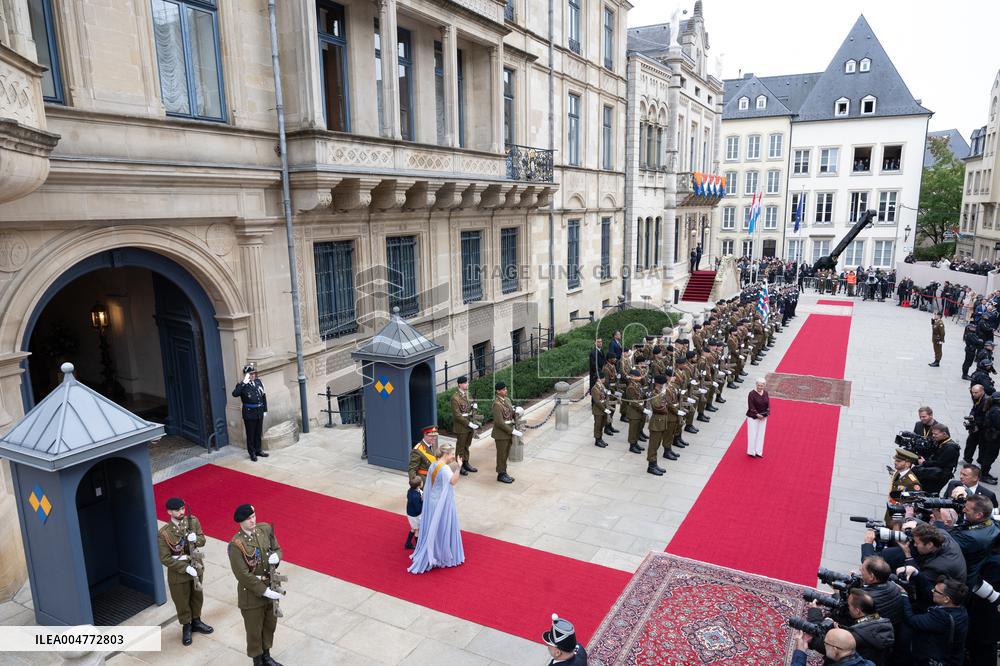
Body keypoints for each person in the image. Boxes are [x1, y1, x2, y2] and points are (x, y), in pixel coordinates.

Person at [228, 504, 284, 666]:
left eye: (253, 516)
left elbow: (277, 548)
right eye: (248, 519)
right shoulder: (236, 545)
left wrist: (277, 557)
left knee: (269, 625)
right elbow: (242, 575)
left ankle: (266, 656)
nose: (252, 521)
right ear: (240, 522)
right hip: (251, 593)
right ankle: (257, 660)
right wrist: (264, 591)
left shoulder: (264, 529)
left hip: (271, 585)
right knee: (254, 630)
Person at [158, 497, 213, 646]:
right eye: (177, 510)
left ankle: (196, 621)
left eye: (183, 509)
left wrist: (195, 540)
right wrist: (185, 568)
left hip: (196, 566)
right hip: (179, 572)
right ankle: (186, 626)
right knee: (182, 600)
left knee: (197, 596)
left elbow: (202, 540)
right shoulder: (164, 533)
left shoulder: (192, 521)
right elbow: (165, 558)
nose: (181, 512)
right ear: (169, 512)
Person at [408, 443, 464, 574]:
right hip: (441, 502)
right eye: (451, 454)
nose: (452, 457)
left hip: (433, 499)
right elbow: (453, 481)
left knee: (435, 526)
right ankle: (440, 554)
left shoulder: (434, 463)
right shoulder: (445, 469)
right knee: (441, 526)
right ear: (446, 454)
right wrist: (459, 467)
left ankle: (435, 549)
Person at [899, 577, 969, 666]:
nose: (932, 591)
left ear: (946, 599)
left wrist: (903, 594)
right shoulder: (961, 610)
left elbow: (911, 619)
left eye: (935, 591)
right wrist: (917, 575)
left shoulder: (942, 617)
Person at [843, 589, 894, 666]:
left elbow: (830, 648)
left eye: (848, 605)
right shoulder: (883, 622)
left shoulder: (856, 635)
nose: (847, 608)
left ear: (857, 611)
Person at [232, 363, 268, 461]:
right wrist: (244, 382)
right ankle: (252, 452)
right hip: (249, 413)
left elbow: (263, 396)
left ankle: (258, 450)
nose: (253, 375)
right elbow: (235, 394)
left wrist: (265, 409)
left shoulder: (258, 382)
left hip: (259, 411)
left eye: (253, 374)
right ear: (246, 375)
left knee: (258, 433)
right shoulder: (242, 385)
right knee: (251, 434)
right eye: (250, 374)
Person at [913, 424, 961, 494]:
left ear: (944, 434)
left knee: (929, 492)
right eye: (932, 433)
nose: (933, 436)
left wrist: (924, 463)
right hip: (935, 472)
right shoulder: (941, 442)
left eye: (936, 434)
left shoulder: (950, 448)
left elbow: (941, 463)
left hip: (940, 476)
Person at [791, 627, 873, 665]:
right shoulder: (869, 663)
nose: (824, 645)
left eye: (825, 643)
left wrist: (800, 652)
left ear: (835, 649)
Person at [882, 448, 922, 524]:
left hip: (900, 516)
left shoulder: (912, 482)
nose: (895, 462)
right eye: (895, 460)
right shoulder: (898, 472)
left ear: (908, 464)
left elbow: (917, 502)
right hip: (892, 509)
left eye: (898, 461)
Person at [490, 382, 520, 484]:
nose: (505, 391)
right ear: (497, 391)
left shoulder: (507, 400)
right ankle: (500, 474)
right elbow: (499, 422)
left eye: (505, 389)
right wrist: (512, 431)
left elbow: (510, 414)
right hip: (501, 434)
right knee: (501, 455)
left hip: (508, 432)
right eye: (503, 389)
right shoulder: (496, 404)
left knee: (506, 453)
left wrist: (516, 412)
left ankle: (504, 472)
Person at [449, 376, 479, 475]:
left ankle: (466, 463)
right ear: (460, 384)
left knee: (467, 445)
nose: (467, 384)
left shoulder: (467, 394)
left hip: (469, 425)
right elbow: (457, 415)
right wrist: (469, 423)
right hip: (462, 426)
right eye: (465, 383)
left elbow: (468, 409)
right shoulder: (455, 398)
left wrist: (474, 407)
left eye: (467, 382)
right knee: (460, 447)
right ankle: (459, 466)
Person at [746, 377, 769, 458]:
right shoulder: (751, 394)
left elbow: (768, 405)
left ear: (764, 386)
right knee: (752, 434)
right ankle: (751, 451)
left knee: (761, 434)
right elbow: (751, 406)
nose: (760, 387)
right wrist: (757, 414)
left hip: (763, 417)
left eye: (762, 386)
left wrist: (765, 414)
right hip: (753, 417)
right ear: (756, 385)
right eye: (759, 385)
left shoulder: (765, 393)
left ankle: (758, 451)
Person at [591, 372, 611, 449]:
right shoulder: (594, 388)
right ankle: (597, 440)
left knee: (602, 424)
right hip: (598, 410)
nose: (604, 379)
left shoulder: (602, 386)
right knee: (598, 425)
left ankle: (600, 438)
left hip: (603, 409)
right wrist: (605, 409)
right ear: (599, 379)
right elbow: (597, 402)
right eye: (603, 378)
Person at [404, 476, 422, 550]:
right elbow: (418, 509)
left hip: (410, 513)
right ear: (419, 485)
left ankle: (408, 543)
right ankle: (419, 547)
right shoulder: (416, 496)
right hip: (415, 515)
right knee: (417, 530)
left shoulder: (410, 490)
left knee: (413, 528)